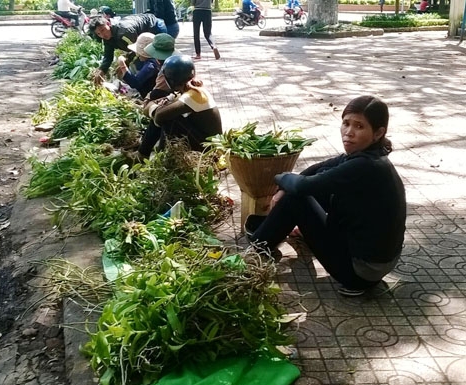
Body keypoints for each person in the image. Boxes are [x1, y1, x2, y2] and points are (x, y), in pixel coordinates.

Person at [246, 96, 406, 297]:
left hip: (360, 273)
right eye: (346, 123)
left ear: (378, 132)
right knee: (309, 189)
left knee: (298, 198)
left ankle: (258, 246)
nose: (349, 132)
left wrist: (279, 178)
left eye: (359, 126)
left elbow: (302, 186)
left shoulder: (365, 166)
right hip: (373, 261)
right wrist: (284, 187)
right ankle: (274, 231)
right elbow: (320, 168)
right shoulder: (370, 157)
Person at [131, 55, 222, 160]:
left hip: (209, 149)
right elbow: (156, 109)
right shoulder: (189, 90)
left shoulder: (192, 95)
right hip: (203, 141)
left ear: (172, 80)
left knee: (169, 119)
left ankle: (160, 160)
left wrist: (153, 107)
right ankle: (142, 154)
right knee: (166, 114)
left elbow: (159, 116)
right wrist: (157, 107)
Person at [89, 13, 167, 84]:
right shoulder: (107, 37)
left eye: (103, 30)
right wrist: (102, 70)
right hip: (139, 35)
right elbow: (108, 55)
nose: (103, 35)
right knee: (141, 63)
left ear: (108, 24)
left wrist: (125, 63)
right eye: (99, 33)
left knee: (154, 58)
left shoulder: (124, 32)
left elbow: (137, 50)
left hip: (155, 26)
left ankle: (163, 82)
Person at [117, 32, 159, 99]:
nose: (137, 53)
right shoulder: (154, 60)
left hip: (152, 96)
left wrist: (122, 65)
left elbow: (134, 83)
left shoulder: (150, 65)